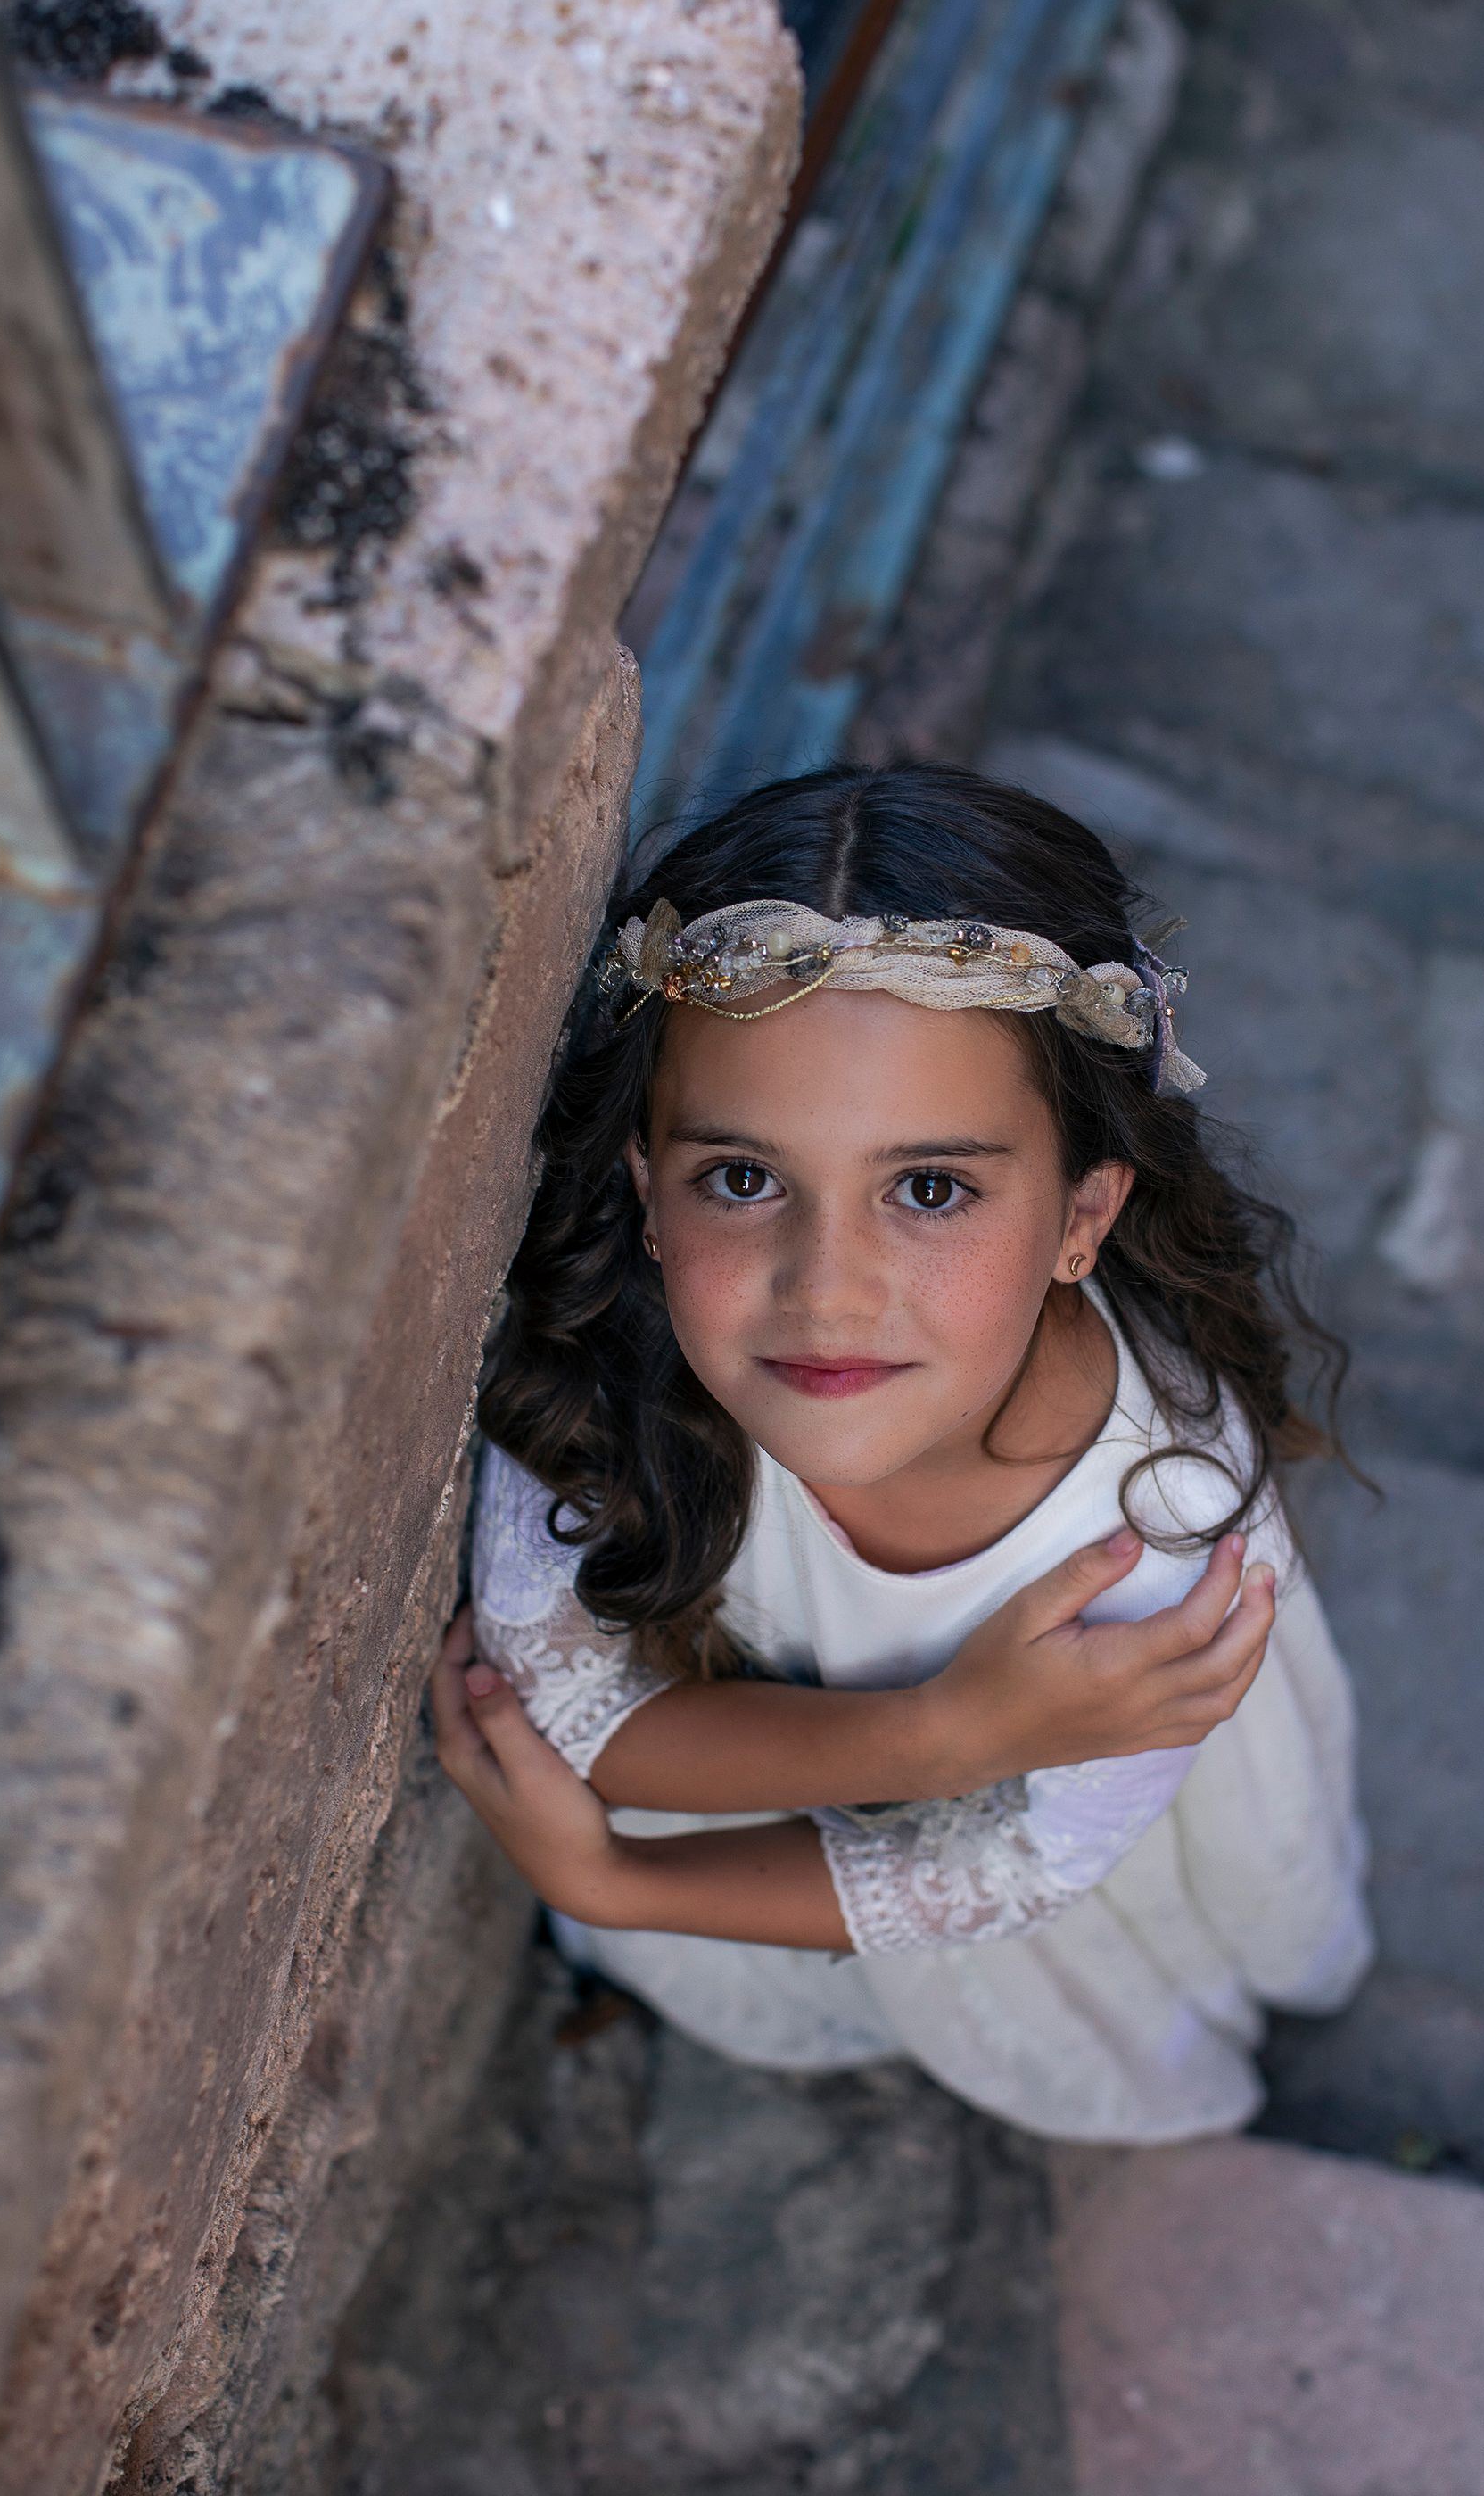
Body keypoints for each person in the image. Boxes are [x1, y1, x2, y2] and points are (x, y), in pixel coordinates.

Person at [432, 764, 1372, 2141]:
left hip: (1027, 1869)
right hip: (813, 1795)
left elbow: (1022, 1864)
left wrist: (619, 1885)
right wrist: (947, 1731)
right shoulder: (616, 1344)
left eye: (929, 1190)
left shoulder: (1158, 1537)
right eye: (742, 1179)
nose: (827, 1288)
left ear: (1081, 1218)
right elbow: (567, 1717)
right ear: (645, 1190)